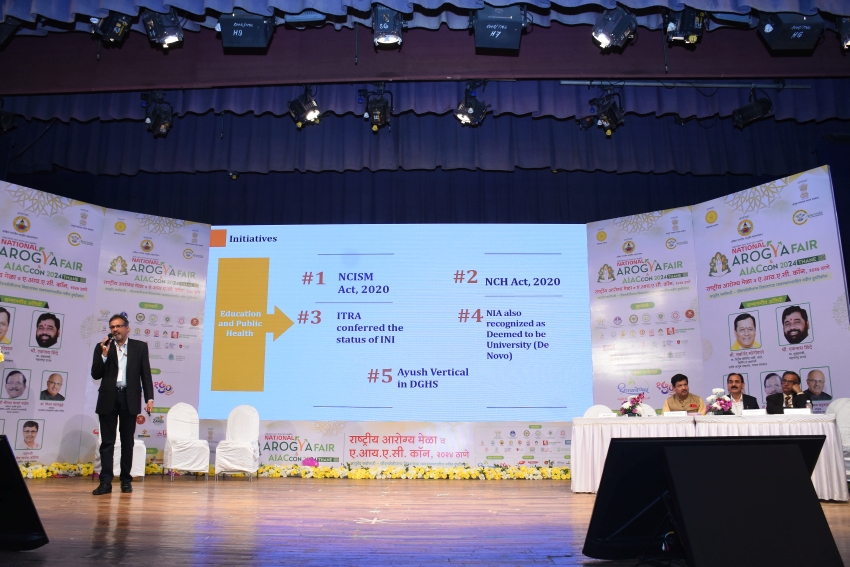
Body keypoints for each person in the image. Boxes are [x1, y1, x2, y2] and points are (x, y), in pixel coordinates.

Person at [91, 314, 153, 495]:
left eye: (118, 326)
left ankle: (126, 480)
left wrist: (149, 398)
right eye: (112, 327)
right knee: (107, 443)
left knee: (127, 442)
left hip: (129, 398)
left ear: (127, 328)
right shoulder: (102, 347)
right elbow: (96, 374)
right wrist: (103, 356)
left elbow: (146, 374)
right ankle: (105, 483)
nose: (115, 330)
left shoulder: (139, 347)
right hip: (108, 398)